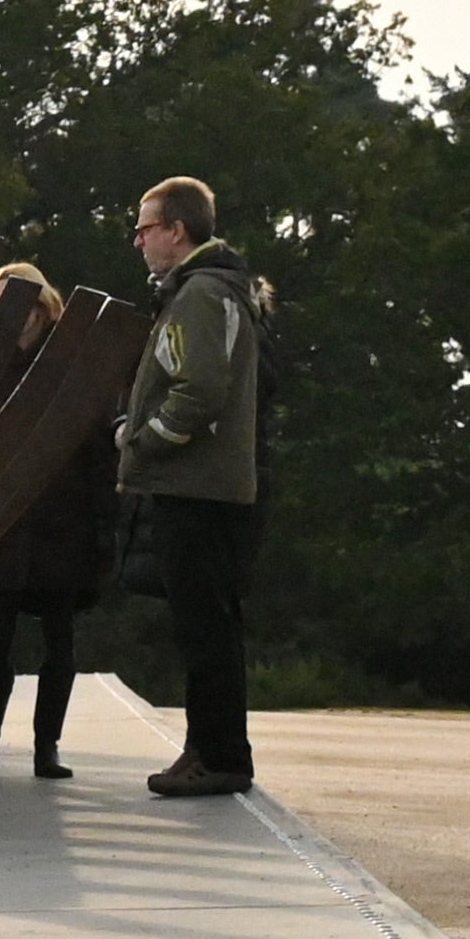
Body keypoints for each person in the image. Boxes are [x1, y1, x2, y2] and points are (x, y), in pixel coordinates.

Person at [0, 257, 122, 782]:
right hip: (1, 519)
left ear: (44, 305)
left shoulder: (69, 358)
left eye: (29, 303)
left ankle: (46, 748)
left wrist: (103, 523)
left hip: (62, 516)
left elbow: (97, 443)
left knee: (59, 640)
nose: (22, 315)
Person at [116, 173, 264, 799]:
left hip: (196, 488)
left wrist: (140, 438)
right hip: (203, 486)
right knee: (204, 626)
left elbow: (201, 391)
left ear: (178, 231)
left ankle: (221, 757)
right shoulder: (209, 289)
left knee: (206, 628)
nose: (139, 241)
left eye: (146, 228)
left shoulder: (200, 295)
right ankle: (204, 748)